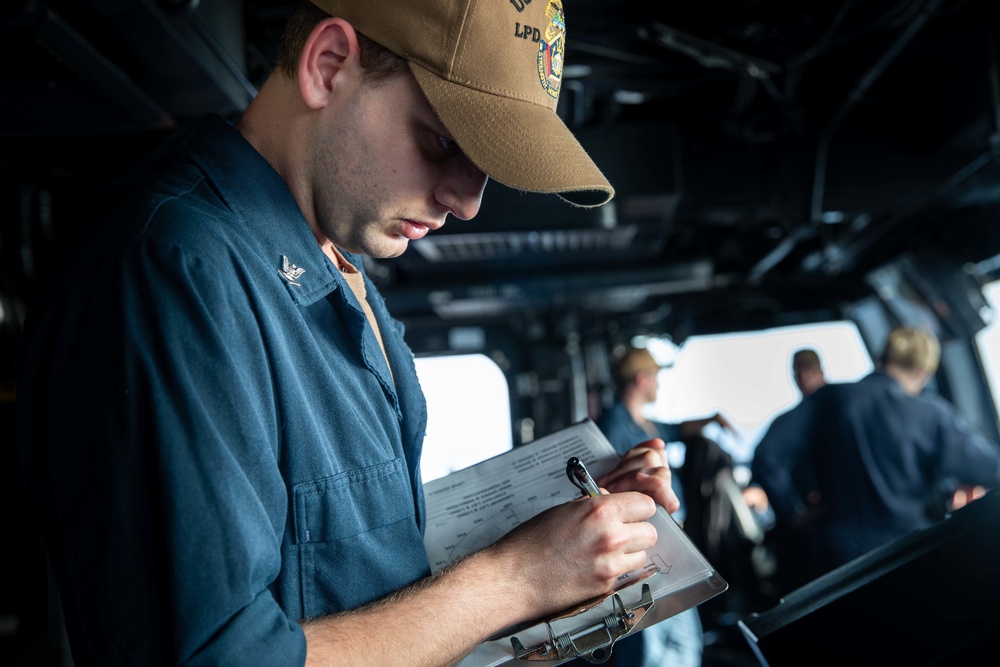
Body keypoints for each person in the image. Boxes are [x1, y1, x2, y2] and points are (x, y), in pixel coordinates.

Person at [15, 2, 685, 665]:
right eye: (443, 140)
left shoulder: (345, 277)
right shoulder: (178, 272)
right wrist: (513, 579)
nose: (469, 200)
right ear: (328, 64)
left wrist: (564, 527)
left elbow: (365, 564)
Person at [751, 326, 1000, 578]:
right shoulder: (931, 414)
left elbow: (767, 454)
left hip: (838, 559)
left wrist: (792, 512)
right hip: (908, 551)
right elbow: (991, 469)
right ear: (924, 373)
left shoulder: (830, 399)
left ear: (883, 358)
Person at [596, 344, 731, 667]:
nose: (658, 384)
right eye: (656, 377)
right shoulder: (616, 427)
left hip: (665, 544)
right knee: (653, 649)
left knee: (680, 645)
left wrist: (711, 418)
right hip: (646, 549)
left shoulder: (643, 425)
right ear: (642, 380)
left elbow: (676, 430)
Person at [749, 347, 828, 594]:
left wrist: (792, 509)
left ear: (802, 373)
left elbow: (766, 456)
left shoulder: (802, 415)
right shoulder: (846, 407)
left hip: (814, 526)